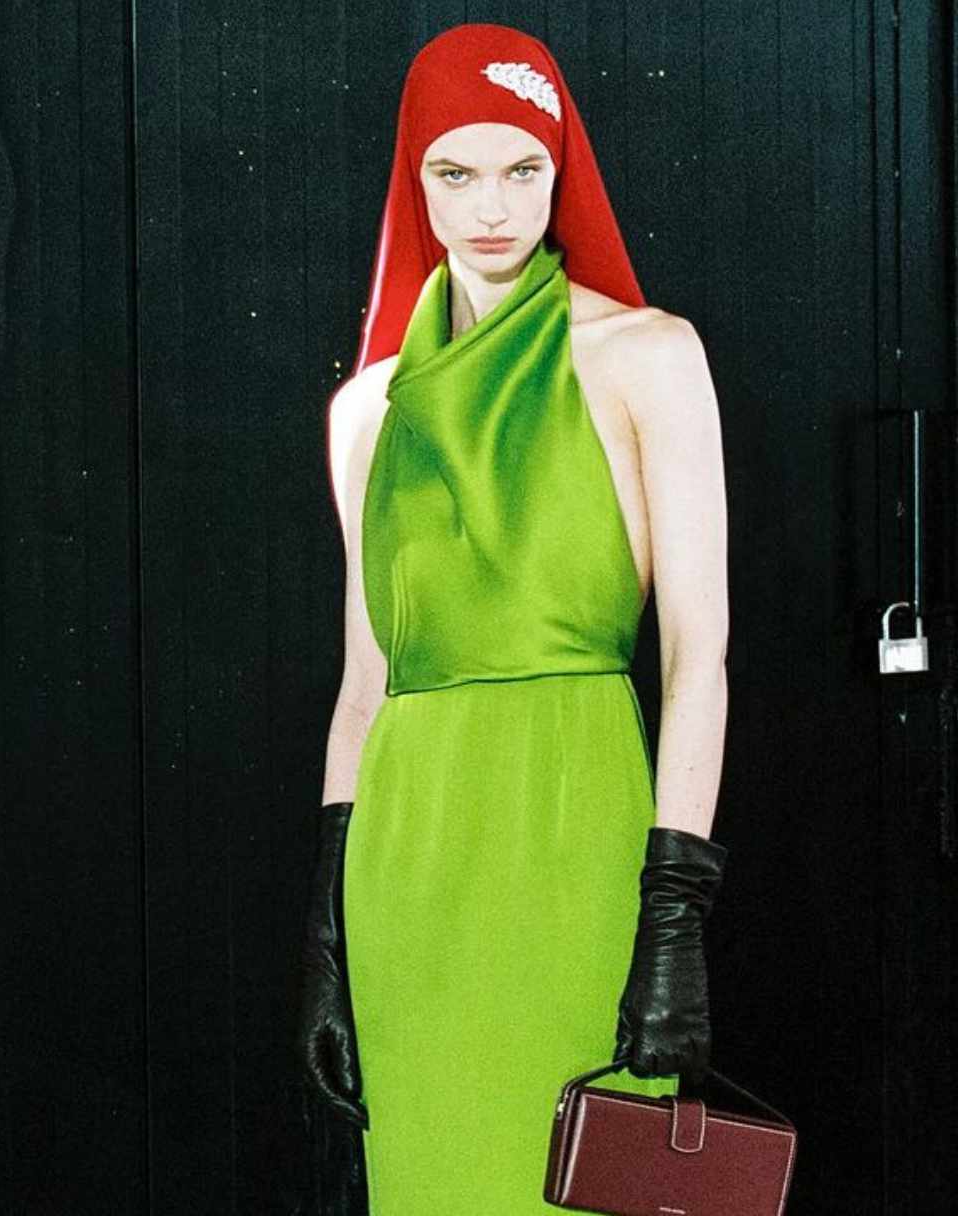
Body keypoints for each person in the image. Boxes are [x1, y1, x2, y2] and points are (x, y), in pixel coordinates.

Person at [297, 22, 731, 1214]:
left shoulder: (648, 357)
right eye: (456, 171)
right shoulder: (366, 412)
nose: (491, 206)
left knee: (580, 1185)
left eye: (522, 168)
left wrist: (675, 915)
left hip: (579, 836)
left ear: (560, 170)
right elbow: (363, 687)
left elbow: (700, 658)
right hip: (408, 863)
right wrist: (329, 939)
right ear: (416, 180)